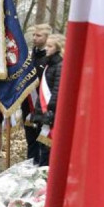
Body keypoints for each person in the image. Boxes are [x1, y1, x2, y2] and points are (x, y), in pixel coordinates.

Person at [32, 34, 63, 167]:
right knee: (42, 145)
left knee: (47, 147)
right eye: (47, 45)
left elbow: (57, 90)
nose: (47, 49)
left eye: (50, 46)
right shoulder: (48, 64)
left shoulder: (60, 66)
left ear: (58, 48)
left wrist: (50, 110)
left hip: (50, 112)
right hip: (42, 112)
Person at [22, 23, 50, 161]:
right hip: (28, 104)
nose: (34, 38)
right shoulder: (29, 57)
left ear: (47, 37)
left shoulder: (50, 58)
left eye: (38, 35)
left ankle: (41, 169)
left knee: (43, 140)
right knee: (30, 139)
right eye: (33, 35)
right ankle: (30, 164)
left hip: (44, 105)